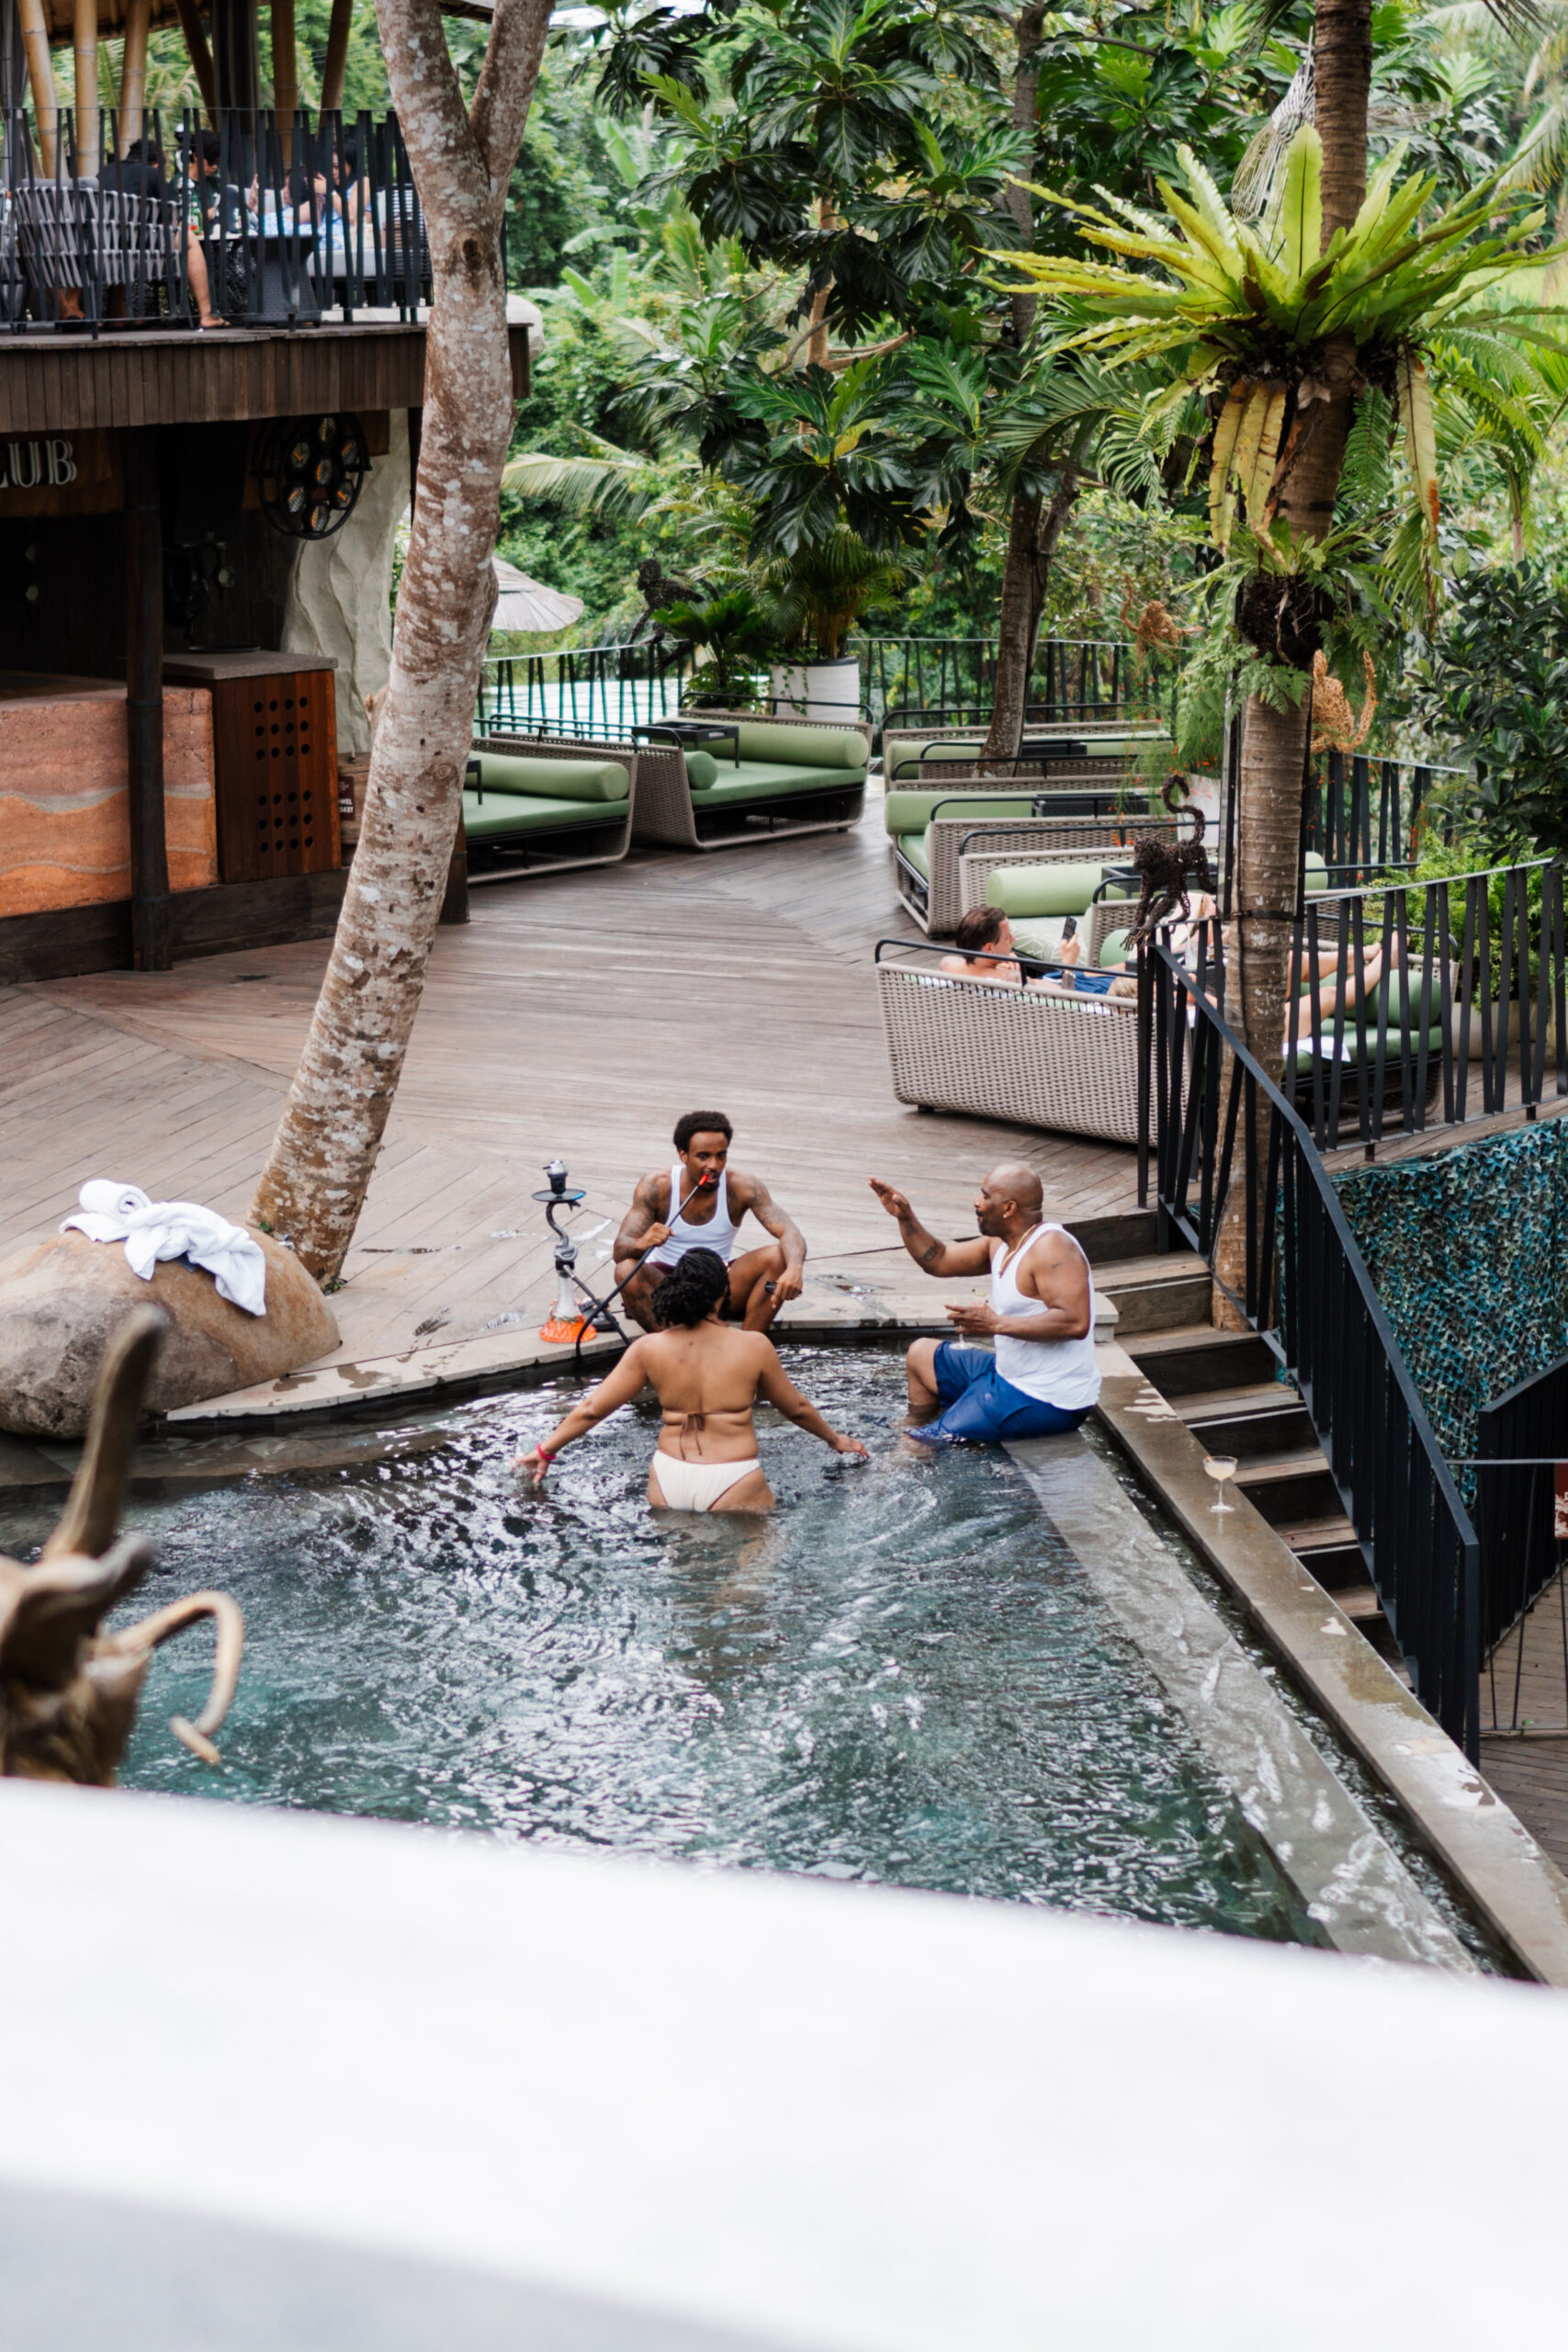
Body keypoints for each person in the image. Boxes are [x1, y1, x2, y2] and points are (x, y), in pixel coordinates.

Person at [515, 1248, 867, 1511]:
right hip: (734, 1478)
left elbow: (592, 1409)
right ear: (722, 1292)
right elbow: (797, 1408)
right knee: (752, 1594)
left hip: (669, 1478)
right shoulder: (753, 1346)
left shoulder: (649, 1348)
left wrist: (546, 1449)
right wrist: (834, 1439)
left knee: (685, 1599)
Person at [868, 1165, 1101, 1443]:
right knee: (920, 1354)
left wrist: (995, 1324)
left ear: (1009, 1208)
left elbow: (1075, 1322)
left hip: (1046, 1398)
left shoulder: (1051, 1247)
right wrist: (905, 1218)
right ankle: (915, 1422)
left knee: (919, 1441)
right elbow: (938, 1260)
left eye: (985, 1196)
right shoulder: (999, 1244)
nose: (976, 1203)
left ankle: (919, 1444)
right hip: (1005, 1374)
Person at [613, 1110, 807, 1335]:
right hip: (668, 1281)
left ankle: (747, 1348)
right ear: (683, 1155)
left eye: (721, 1156)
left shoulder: (742, 1185)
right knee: (626, 1269)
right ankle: (673, 1350)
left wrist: (795, 1268)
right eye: (703, 1156)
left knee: (778, 1256)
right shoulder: (657, 1185)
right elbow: (620, 1250)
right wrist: (642, 1243)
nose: (714, 1165)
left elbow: (789, 1231)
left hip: (720, 1281)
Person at [941, 906, 1022, 985]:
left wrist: (996, 963)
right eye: (1007, 937)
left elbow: (956, 961)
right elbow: (1034, 987)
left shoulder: (947, 966)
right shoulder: (1011, 978)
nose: (1013, 939)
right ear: (989, 948)